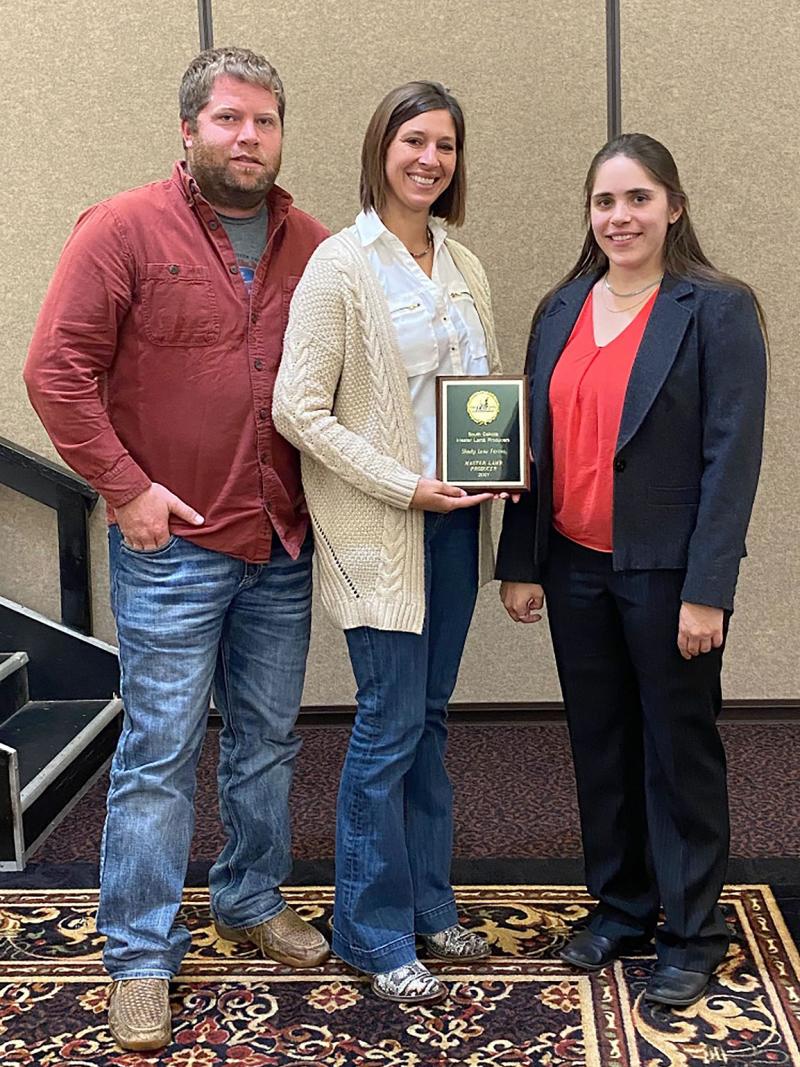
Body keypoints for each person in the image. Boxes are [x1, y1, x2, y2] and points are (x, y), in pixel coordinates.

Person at [24, 47, 330, 1051]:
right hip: (175, 548)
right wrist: (127, 488)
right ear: (189, 130)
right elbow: (56, 372)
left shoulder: (309, 244)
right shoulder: (121, 230)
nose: (250, 138)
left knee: (266, 739)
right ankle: (141, 956)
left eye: (266, 122)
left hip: (279, 540)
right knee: (159, 752)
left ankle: (246, 895)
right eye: (231, 120)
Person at [496, 133, 767, 1008]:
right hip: (574, 566)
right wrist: (521, 559)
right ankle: (620, 906)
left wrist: (707, 588)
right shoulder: (560, 307)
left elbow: (732, 459)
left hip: (667, 575)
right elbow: (530, 445)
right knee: (600, 744)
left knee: (678, 751)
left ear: (674, 206)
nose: (621, 217)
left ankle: (691, 931)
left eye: (638, 199)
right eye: (605, 202)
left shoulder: (717, 309)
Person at [274, 81, 499, 1005]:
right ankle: (372, 929)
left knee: (430, 721)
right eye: (414, 140)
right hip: (383, 531)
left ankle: (430, 906)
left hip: (456, 530)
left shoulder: (465, 264)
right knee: (388, 723)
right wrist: (404, 483)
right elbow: (298, 408)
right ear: (382, 149)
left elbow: (482, 394)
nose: (429, 160)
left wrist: (495, 462)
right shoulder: (340, 264)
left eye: (445, 145)